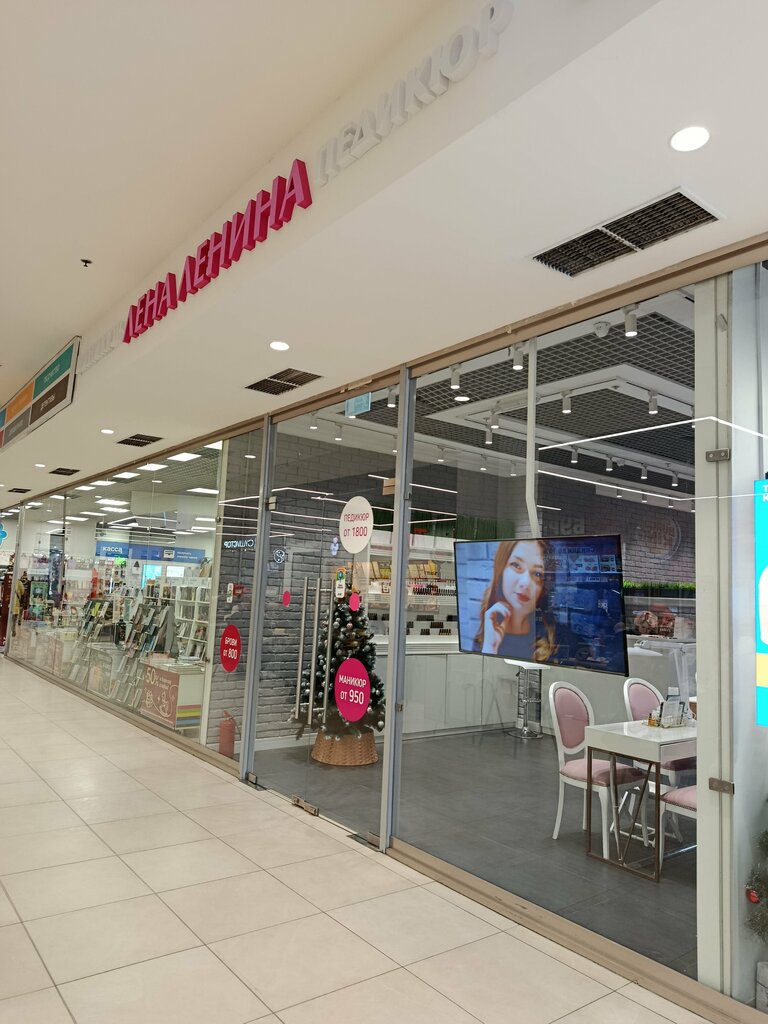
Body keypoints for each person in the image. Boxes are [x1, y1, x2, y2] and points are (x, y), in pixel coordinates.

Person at [473, 539, 559, 662]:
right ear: (501, 570)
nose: (525, 583)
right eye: (516, 565)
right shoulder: (485, 637)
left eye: (537, 574)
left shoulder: (561, 641)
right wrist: (490, 648)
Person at [12, 570, 29, 638]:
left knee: (17, 613)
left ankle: (18, 621)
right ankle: (14, 627)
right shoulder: (19, 582)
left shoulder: (18, 581)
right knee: (17, 614)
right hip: (19, 600)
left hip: (15, 601)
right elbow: (23, 592)